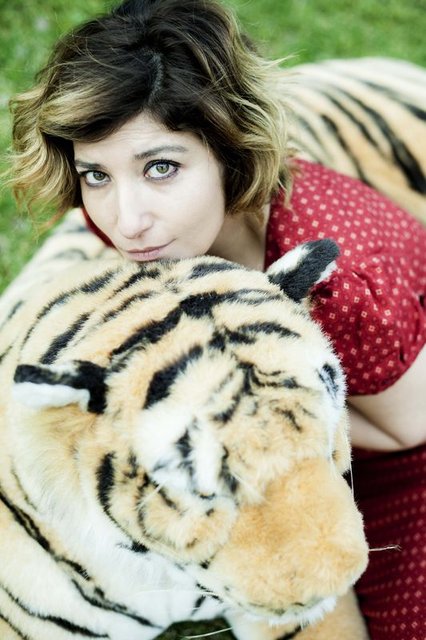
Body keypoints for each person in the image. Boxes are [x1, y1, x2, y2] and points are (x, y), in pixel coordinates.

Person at [7, 0, 426, 638]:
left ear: (229, 152)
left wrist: (256, 429)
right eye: (96, 174)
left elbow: (409, 427)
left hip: (398, 454)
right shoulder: (149, 226)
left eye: (160, 168)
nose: (126, 220)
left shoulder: (340, 286)